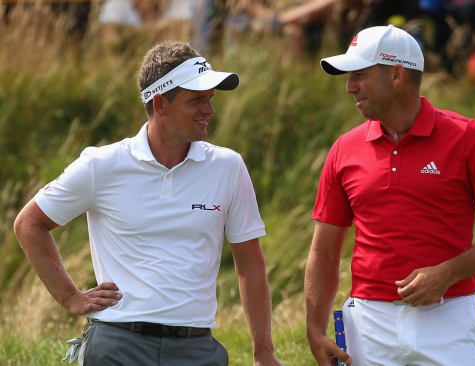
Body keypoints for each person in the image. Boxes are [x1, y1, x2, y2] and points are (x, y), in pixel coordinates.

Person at [13, 41, 282, 366]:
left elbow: (250, 264)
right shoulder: (101, 165)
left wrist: (264, 352)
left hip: (196, 348)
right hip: (116, 345)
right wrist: (70, 297)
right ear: (160, 104)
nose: (210, 110)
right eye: (196, 100)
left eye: (210, 99)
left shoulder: (229, 166)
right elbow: (29, 223)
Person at [305, 25, 475, 365]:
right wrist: (315, 329)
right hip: (368, 325)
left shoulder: (466, 137)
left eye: (360, 76)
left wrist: (448, 273)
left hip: (448, 319)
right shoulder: (343, 149)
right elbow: (324, 250)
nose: (350, 87)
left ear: (396, 75)